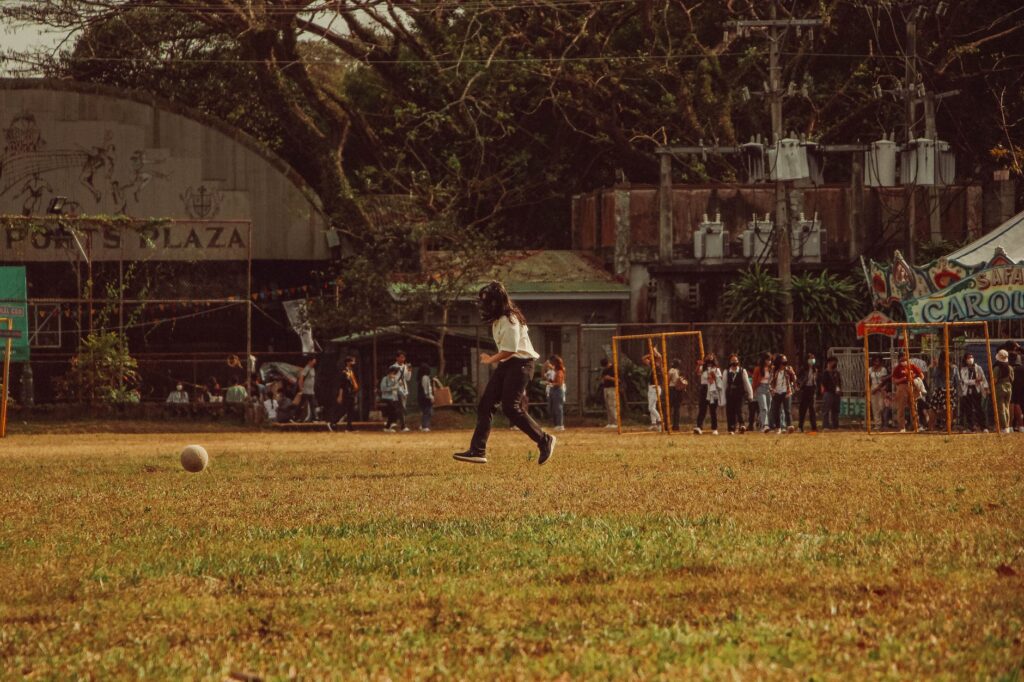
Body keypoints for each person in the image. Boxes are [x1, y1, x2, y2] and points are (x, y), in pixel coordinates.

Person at [453, 281, 555, 465]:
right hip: (508, 364)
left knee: (511, 407)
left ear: (496, 302)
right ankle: (477, 450)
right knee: (486, 405)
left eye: (487, 301)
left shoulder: (510, 320)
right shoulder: (498, 321)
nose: (483, 305)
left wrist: (490, 359)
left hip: (521, 364)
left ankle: (544, 440)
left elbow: (510, 349)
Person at [891, 352, 924, 433]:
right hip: (902, 387)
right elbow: (894, 380)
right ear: (899, 359)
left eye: (905, 358)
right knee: (901, 407)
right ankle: (902, 427)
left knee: (913, 406)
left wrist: (916, 380)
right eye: (902, 359)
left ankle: (915, 425)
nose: (904, 360)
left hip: (912, 386)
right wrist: (902, 379)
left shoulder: (912, 366)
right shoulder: (897, 368)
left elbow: (922, 375)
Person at [957, 352, 988, 432]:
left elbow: (983, 378)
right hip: (967, 391)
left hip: (977, 390)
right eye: (968, 358)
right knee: (968, 409)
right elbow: (965, 381)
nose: (970, 359)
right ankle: (970, 427)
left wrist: (986, 387)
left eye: (971, 357)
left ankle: (983, 426)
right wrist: (975, 381)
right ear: (965, 359)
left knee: (979, 408)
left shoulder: (978, 368)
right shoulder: (963, 369)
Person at [724, 354, 753, 435]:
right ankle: (731, 428)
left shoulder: (742, 371)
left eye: (736, 361)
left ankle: (742, 425)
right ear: (730, 362)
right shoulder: (726, 372)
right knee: (730, 411)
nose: (734, 362)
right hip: (730, 394)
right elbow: (724, 385)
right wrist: (722, 398)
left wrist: (750, 395)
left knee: (739, 410)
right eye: (732, 361)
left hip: (740, 394)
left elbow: (747, 383)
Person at [694, 354, 722, 435]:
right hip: (704, 388)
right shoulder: (703, 368)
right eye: (707, 357)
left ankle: (714, 428)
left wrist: (714, 378)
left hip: (713, 388)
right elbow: (697, 373)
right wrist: (699, 365)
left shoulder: (717, 369)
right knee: (702, 408)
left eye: (711, 357)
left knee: (713, 410)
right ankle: (699, 426)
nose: (709, 359)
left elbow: (719, 380)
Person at [768, 354, 796, 434]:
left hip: (786, 392)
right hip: (776, 392)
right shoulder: (774, 370)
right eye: (783, 362)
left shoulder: (788, 370)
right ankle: (778, 427)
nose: (785, 364)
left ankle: (789, 426)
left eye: (785, 362)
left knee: (787, 410)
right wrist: (772, 390)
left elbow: (794, 379)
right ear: (778, 363)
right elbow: (770, 382)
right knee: (776, 410)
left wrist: (792, 373)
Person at [332, 355, 360, 431]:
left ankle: (349, 426)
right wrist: (340, 395)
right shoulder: (344, 372)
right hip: (345, 393)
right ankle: (333, 422)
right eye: (352, 361)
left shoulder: (351, 371)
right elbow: (342, 385)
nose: (354, 363)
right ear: (348, 362)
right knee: (343, 409)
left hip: (351, 393)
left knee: (351, 410)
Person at [993, 349, 1015, 434]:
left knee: (1001, 408)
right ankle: (1008, 427)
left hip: (999, 387)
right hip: (1009, 387)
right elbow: (1012, 379)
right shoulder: (1010, 367)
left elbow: (994, 380)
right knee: (1007, 407)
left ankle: (1004, 427)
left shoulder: (997, 368)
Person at [642, 348, 664, 431]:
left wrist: (655, 351)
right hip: (650, 387)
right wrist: (650, 354)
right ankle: (654, 423)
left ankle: (660, 420)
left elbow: (660, 357)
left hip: (656, 388)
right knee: (652, 406)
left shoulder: (657, 365)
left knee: (651, 408)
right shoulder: (651, 365)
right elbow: (643, 359)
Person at [796, 353, 819, 432]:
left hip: (812, 389)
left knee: (812, 409)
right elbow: (798, 378)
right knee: (802, 409)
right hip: (804, 389)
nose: (812, 360)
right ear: (807, 360)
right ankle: (800, 427)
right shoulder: (803, 369)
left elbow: (815, 380)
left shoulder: (815, 369)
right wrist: (799, 386)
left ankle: (814, 427)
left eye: (813, 358)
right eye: (810, 358)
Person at [751, 352, 773, 432]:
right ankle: (765, 426)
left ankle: (758, 421)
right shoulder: (758, 369)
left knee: (768, 407)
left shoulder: (771, 369)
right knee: (764, 408)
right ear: (764, 360)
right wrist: (752, 392)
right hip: (760, 388)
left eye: (770, 360)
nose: (769, 362)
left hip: (768, 388)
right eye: (767, 360)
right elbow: (754, 381)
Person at [820, 356, 842, 430]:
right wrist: (832, 389)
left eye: (835, 362)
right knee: (826, 410)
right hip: (828, 393)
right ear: (829, 363)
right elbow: (824, 383)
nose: (834, 364)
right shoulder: (825, 373)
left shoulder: (837, 372)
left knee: (835, 410)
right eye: (833, 362)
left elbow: (839, 382)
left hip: (837, 393)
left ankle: (835, 425)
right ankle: (825, 425)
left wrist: (839, 390)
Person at [379, 365, 403, 432]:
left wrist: (399, 385)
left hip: (393, 397)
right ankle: (389, 424)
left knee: (395, 410)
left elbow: (397, 387)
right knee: (392, 410)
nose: (393, 375)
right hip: (386, 397)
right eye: (392, 373)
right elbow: (383, 389)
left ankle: (389, 425)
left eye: (394, 373)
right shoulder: (385, 379)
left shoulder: (395, 379)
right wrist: (392, 388)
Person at [868, 356, 889, 431]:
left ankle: (884, 423)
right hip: (873, 388)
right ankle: (877, 424)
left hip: (881, 389)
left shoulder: (883, 369)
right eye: (875, 361)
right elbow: (868, 380)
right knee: (875, 407)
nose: (877, 363)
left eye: (878, 361)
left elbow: (884, 381)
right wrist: (868, 389)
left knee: (881, 406)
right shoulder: (870, 369)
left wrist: (877, 388)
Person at [393, 351, 412, 432]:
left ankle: (400, 424)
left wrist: (410, 370)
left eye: (403, 357)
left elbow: (408, 379)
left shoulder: (405, 367)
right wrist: (397, 381)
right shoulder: (393, 367)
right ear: (397, 358)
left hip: (404, 389)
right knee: (401, 408)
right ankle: (402, 425)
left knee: (402, 407)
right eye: (400, 357)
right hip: (397, 389)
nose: (402, 359)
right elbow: (391, 378)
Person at [667, 358, 688, 432]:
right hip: (679, 390)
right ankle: (676, 426)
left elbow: (668, 380)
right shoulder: (679, 371)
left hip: (672, 389)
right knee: (677, 408)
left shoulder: (671, 370)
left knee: (669, 407)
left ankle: (667, 424)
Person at [546, 355, 566, 432]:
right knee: (554, 408)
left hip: (558, 391)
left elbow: (559, 383)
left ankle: (560, 424)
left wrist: (551, 384)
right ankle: (557, 424)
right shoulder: (556, 371)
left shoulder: (560, 372)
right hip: (554, 390)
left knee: (558, 408)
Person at [415, 362, 434, 432]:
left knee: (424, 411)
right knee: (427, 411)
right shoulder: (425, 377)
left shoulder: (420, 378)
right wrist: (430, 397)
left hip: (420, 396)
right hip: (425, 397)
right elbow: (426, 388)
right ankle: (425, 426)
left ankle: (423, 425)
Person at [298, 356, 318, 422]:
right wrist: (301, 388)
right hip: (306, 390)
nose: (314, 363)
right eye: (313, 361)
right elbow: (301, 378)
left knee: (312, 404)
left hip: (311, 391)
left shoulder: (313, 369)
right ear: (310, 361)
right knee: (302, 404)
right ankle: (297, 416)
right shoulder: (307, 368)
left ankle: (314, 418)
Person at [599, 358, 617, 428]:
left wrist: (610, 378)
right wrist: (603, 380)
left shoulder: (614, 369)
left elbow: (619, 380)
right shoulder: (605, 370)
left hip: (612, 388)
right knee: (607, 405)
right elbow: (602, 378)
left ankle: (615, 422)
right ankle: (610, 422)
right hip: (606, 388)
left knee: (612, 405)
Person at [1011, 351, 1024, 433]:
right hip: (1020, 391)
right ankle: (1021, 426)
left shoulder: (1012, 368)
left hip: (1015, 390)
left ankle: (1015, 425)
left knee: (1015, 405)